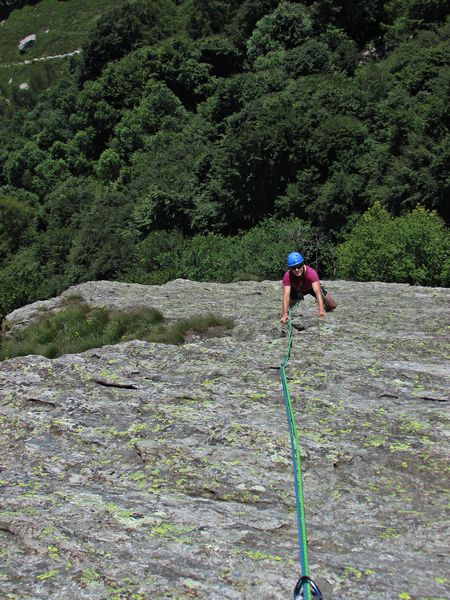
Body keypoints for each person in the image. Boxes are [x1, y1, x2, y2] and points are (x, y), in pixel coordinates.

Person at [280, 251, 336, 324]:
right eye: (293, 268)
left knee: (332, 305)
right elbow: (286, 296)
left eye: (299, 266)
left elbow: (317, 292)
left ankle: (322, 303)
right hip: (296, 291)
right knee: (288, 311)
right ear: (290, 268)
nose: (297, 270)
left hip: (310, 288)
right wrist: (285, 314)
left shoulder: (311, 273)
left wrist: (321, 310)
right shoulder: (288, 276)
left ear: (303, 264)